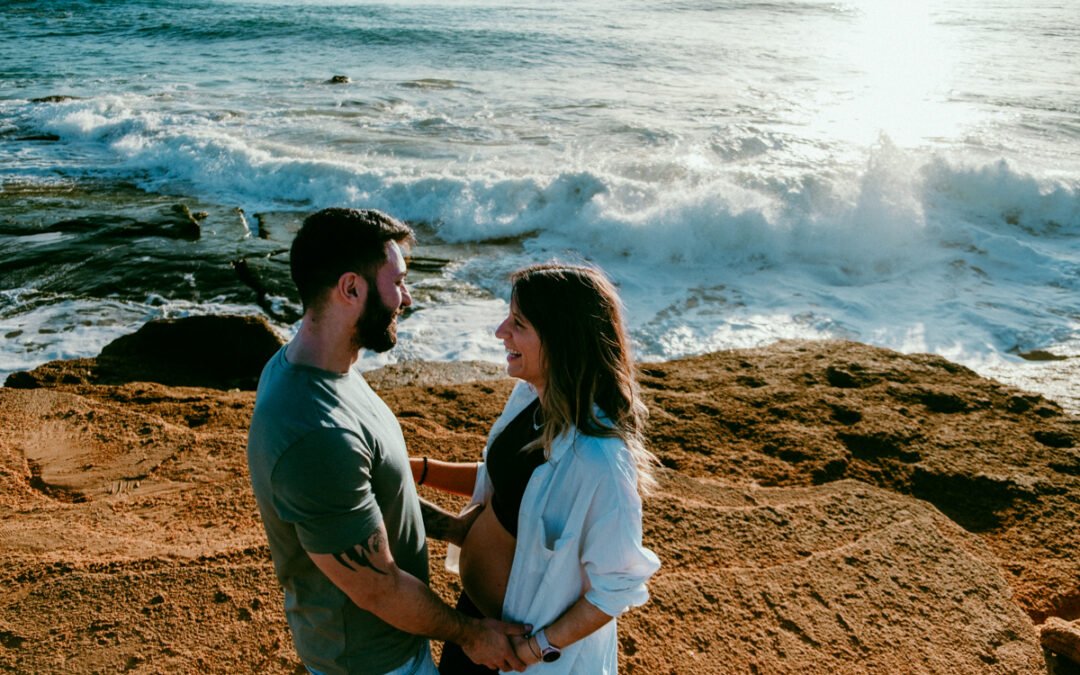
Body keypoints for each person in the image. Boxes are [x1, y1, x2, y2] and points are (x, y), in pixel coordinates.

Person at [246, 208, 529, 675]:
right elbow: (378, 589)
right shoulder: (314, 434)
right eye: (397, 282)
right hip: (370, 660)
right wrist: (472, 634)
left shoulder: (324, 367)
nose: (407, 298)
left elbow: (381, 494)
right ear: (351, 288)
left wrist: (455, 530)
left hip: (388, 644)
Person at [414, 263, 661, 674]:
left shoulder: (600, 461)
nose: (500, 331)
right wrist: (419, 470)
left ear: (561, 339)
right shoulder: (531, 398)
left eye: (519, 323)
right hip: (481, 623)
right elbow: (510, 486)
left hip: (520, 655)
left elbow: (617, 586)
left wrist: (533, 651)